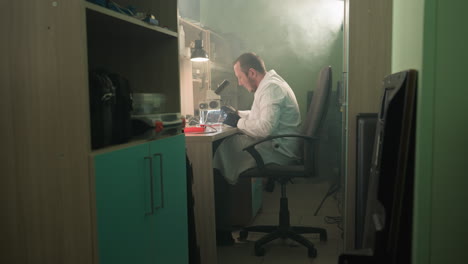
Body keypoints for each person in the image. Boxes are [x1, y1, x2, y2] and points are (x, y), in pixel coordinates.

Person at [212, 52, 302, 245]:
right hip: (277, 144)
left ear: (251, 72)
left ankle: (220, 233)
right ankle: (222, 230)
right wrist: (237, 114)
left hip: (278, 150)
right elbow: (258, 115)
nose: (240, 83)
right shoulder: (269, 84)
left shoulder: (271, 88)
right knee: (223, 151)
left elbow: (264, 128)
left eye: (240, 77)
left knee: (217, 159)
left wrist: (237, 122)